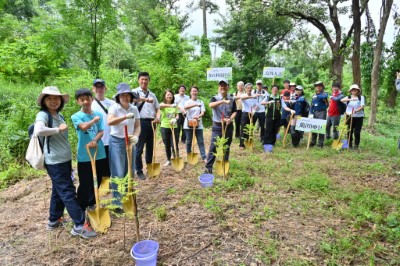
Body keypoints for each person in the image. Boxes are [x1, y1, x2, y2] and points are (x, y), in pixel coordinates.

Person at [35, 86, 96, 239]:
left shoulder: (58, 115)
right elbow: (39, 130)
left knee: (59, 189)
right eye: (49, 98)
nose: (53, 101)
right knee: (68, 191)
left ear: (61, 101)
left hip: (64, 159)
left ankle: (54, 219)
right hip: (55, 161)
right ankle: (80, 225)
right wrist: (57, 130)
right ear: (44, 101)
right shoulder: (43, 115)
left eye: (56, 98)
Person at [71, 88, 106, 232]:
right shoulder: (76, 116)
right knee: (85, 183)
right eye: (82, 99)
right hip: (85, 155)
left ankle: (93, 204)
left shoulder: (99, 114)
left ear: (92, 99)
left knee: (97, 181)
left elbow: (101, 131)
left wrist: (95, 141)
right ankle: (81, 208)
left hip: (99, 153)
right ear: (78, 101)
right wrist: (93, 120)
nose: (85, 101)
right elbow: (83, 126)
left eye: (87, 98)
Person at [107, 83, 140, 212]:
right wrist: (124, 117)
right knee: (118, 172)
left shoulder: (134, 109)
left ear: (131, 96)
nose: (125, 97)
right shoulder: (114, 108)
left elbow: (137, 126)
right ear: (118, 96)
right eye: (122, 95)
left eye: (127, 95)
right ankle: (117, 202)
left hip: (130, 141)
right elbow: (110, 121)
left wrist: (136, 137)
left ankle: (127, 197)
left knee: (129, 171)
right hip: (117, 142)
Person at [205, 78, 237, 173]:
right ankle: (208, 167)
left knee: (226, 146)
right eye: (221, 85)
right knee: (214, 146)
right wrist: (223, 101)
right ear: (218, 87)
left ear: (228, 87)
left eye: (224, 85)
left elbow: (235, 111)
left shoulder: (231, 98)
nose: (222, 87)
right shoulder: (214, 98)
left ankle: (224, 163)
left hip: (228, 125)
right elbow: (211, 105)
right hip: (217, 126)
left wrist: (230, 119)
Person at [132, 72, 161, 180]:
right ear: (138, 80)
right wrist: (144, 99)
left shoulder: (152, 94)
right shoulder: (134, 92)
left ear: (149, 81)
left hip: (152, 123)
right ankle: (139, 170)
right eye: (142, 79)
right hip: (140, 123)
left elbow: (158, 108)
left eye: (146, 80)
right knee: (139, 149)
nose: (144, 81)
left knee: (150, 147)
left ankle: (149, 167)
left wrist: (158, 117)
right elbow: (131, 100)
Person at [91, 79, 115, 184]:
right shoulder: (90, 104)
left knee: (112, 162)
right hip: (98, 139)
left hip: (111, 137)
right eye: (97, 87)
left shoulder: (112, 103)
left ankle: (111, 181)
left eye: (101, 87)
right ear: (93, 89)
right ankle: (103, 182)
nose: (99, 89)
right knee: (101, 162)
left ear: (105, 88)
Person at [183, 86, 207, 163]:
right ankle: (189, 156)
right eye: (193, 91)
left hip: (198, 124)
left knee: (200, 141)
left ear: (197, 92)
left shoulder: (201, 101)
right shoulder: (187, 101)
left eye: (196, 91)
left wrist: (198, 116)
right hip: (188, 125)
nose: (194, 92)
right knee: (189, 141)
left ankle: (204, 157)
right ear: (190, 92)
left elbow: (202, 112)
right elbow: (185, 107)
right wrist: (195, 105)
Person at [340, 84, 365, 150]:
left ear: (358, 90)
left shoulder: (361, 97)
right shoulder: (348, 97)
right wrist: (351, 99)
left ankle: (356, 145)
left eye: (355, 89)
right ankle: (349, 144)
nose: (354, 91)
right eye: (352, 90)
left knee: (357, 132)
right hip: (349, 116)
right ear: (350, 91)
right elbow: (341, 100)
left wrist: (356, 111)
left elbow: (362, 106)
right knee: (349, 131)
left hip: (359, 117)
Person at [160, 89, 179, 166]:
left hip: (174, 127)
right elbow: (160, 106)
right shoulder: (162, 104)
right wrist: (171, 105)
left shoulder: (175, 105)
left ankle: (176, 158)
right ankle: (168, 159)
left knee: (174, 143)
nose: (169, 96)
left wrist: (175, 119)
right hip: (165, 126)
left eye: (170, 94)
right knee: (167, 144)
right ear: (165, 96)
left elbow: (177, 115)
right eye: (168, 94)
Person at [261, 85, 281, 152]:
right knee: (268, 130)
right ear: (271, 90)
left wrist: (290, 110)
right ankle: (266, 144)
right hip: (269, 117)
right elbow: (262, 103)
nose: (275, 90)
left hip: (277, 117)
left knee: (274, 130)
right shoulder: (268, 97)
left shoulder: (280, 98)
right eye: (273, 89)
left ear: (278, 90)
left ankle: (272, 143)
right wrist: (268, 102)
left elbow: (284, 106)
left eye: (276, 89)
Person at [310, 81, 329, 147]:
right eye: (317, 86)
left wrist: (318, 95)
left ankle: (320, 143)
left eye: (320, 86)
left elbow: (324, 97)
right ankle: (313, 141)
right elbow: (311, 105)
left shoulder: (324, 93)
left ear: (322, 87)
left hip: (322, 112)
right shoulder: (313, 95)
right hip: (315, 112)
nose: (318, 87)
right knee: (314, 127)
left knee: (321, 127)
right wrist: (311, 113)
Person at [239, 83, 257, 149]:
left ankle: (249, 141)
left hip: (252, 113)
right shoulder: (243, 95)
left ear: (252, 88)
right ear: (245, 89)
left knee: (251, 128)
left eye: (250, 88)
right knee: (243, 128)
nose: (249, 89)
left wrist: (254, 111)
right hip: (245, 113)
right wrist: (251, 97)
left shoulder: (254, 95)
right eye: (248, 88)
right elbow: (242, 98)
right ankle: (241, 144)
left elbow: (256, 105)